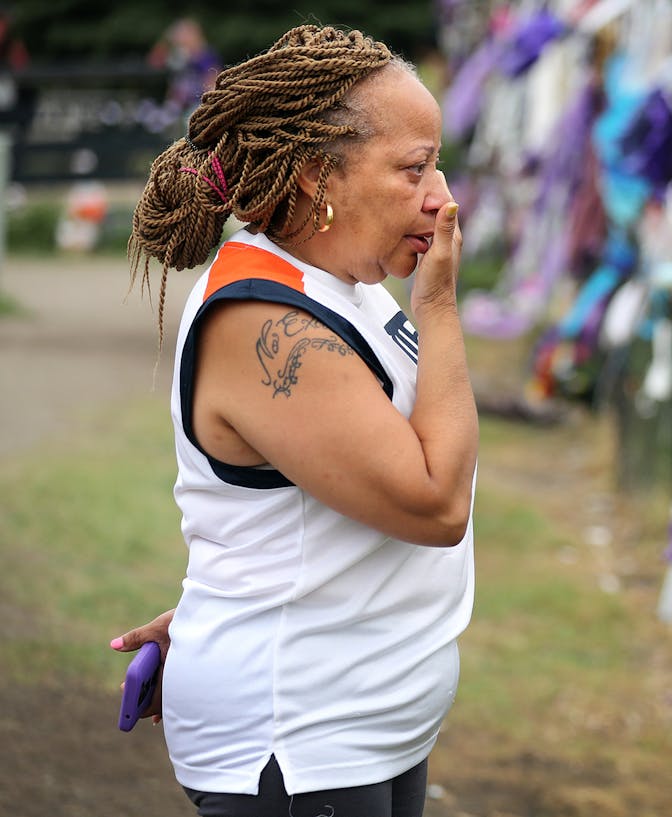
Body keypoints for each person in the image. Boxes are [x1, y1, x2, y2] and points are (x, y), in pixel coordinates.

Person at [109, 24, 478, 817]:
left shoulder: (342, 280)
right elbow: (435, 502)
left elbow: (301, 506)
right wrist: (441, 307)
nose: (442, 196)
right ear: (318, 178)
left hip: (363, 719)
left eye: (438, 165)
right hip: (301, 733)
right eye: (415, 168)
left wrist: (228, 600)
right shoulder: (262, 320)